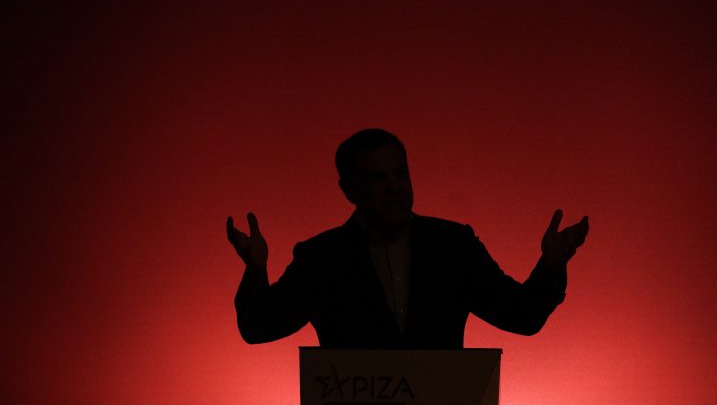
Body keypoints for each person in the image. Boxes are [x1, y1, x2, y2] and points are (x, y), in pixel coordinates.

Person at [227, 129, 589, 348]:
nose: (395, 188)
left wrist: (552, 265)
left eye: (400, 173)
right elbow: (258, 327)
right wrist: (255, 270)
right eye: (377, 179)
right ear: (348, 189)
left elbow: (522, 316)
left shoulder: (453, 247)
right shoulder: (322, 258)